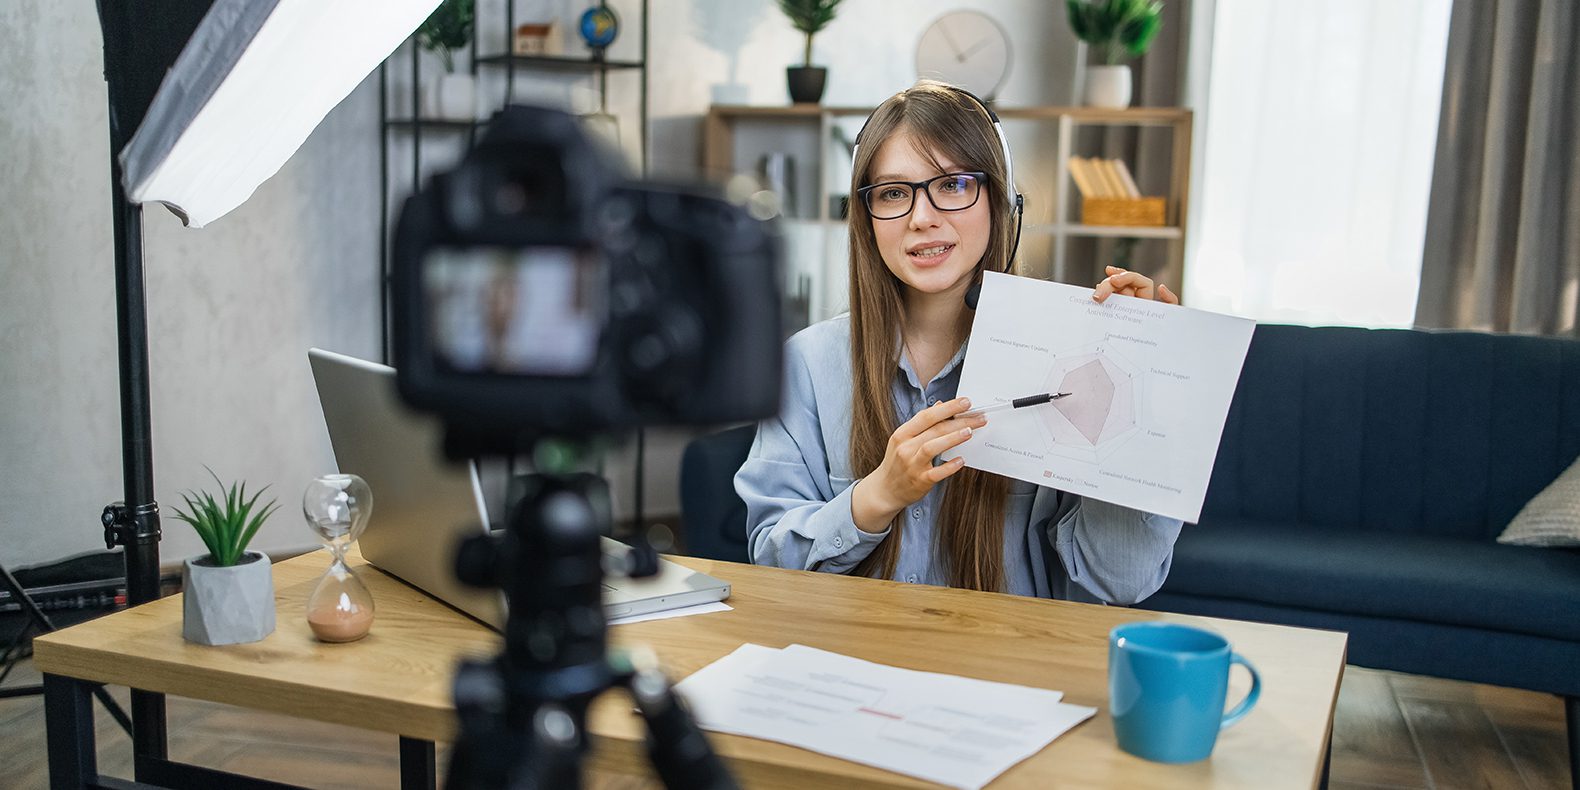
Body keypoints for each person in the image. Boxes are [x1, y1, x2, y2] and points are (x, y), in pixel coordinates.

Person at [735, 80, 1184, 604]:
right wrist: (880, 494)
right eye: (894, 193)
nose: (921, 217)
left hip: (1005, 672)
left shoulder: (1066, 362)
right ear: (866, 218)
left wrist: (1137, 393)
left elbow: (1120, 582)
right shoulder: (806, 364)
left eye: (951, 185)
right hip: (853, 663)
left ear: (999, 202)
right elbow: (768, 561)